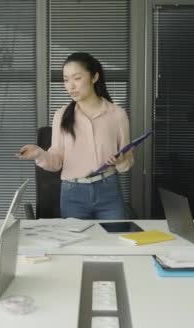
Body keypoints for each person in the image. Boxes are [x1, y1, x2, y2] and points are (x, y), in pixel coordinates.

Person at [18, 52, 133, 219]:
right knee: (77, 244)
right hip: (73, 195)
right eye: (66, 80)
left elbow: (128, 158)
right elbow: (56, 161)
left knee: (114, 242)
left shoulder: (117, 114)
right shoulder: (61, 115)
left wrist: (122, 162)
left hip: (109, 191)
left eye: (77, 78)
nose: (70, 86)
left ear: (94, 77)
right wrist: (39, 154)